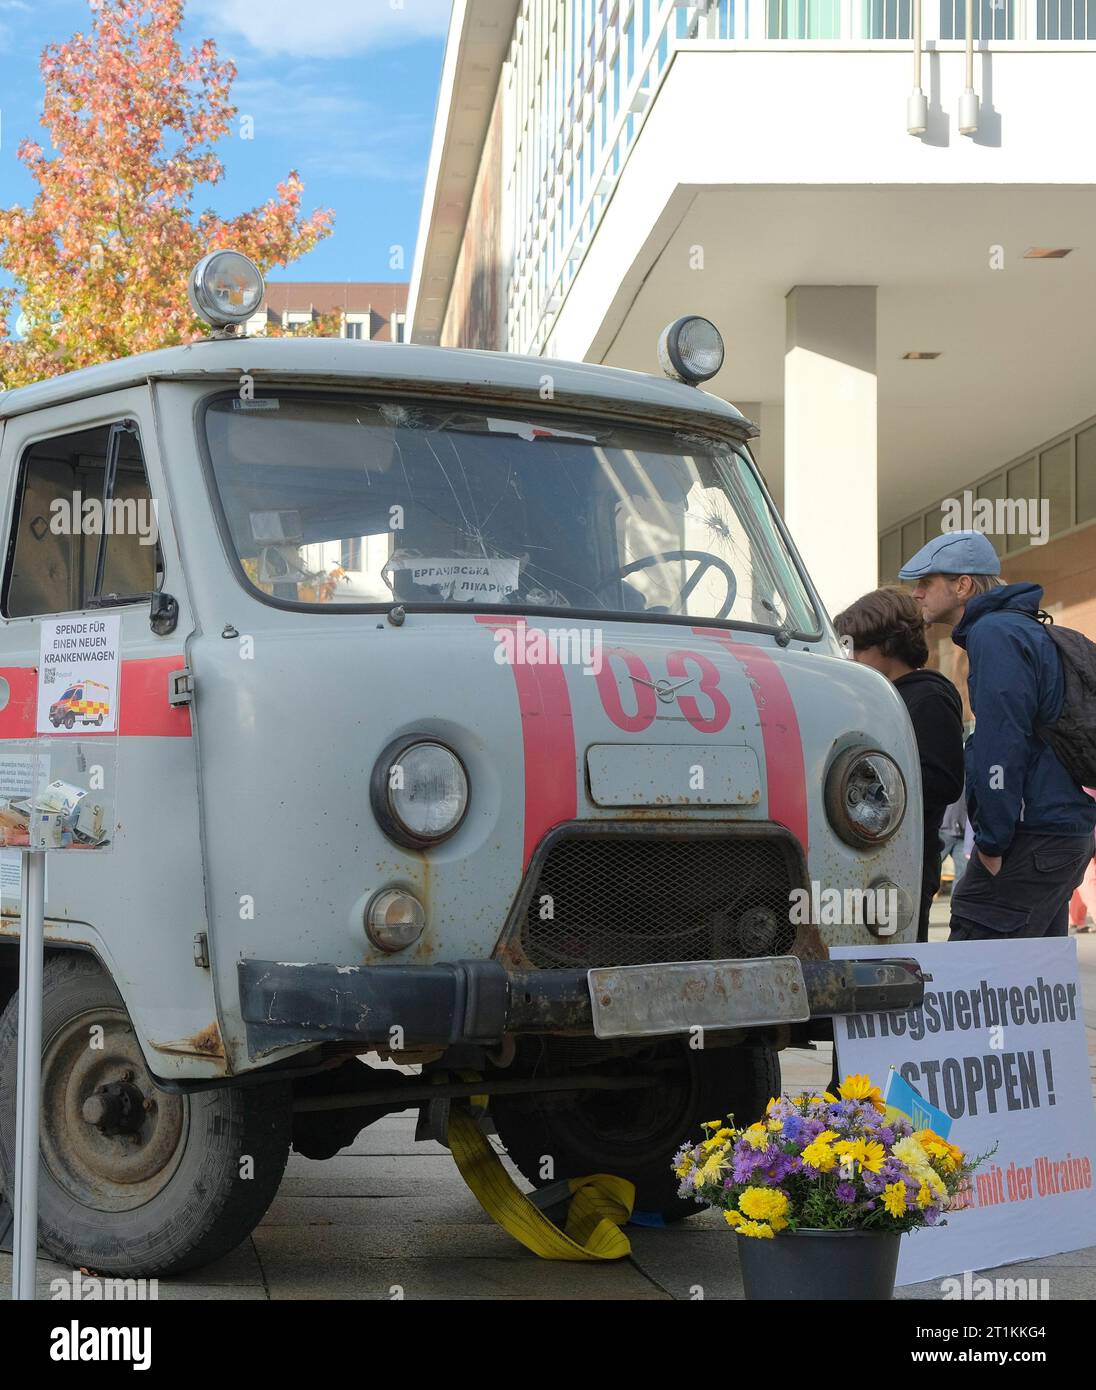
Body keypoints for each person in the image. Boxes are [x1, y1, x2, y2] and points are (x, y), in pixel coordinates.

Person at [899, 530, 1096, 941]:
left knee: (971, 982)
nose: (917, 594)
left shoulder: (994, 634)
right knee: (1035, 989)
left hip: (1031, 835)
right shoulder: (1022, 629)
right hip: (1060, 832)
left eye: (926, 582)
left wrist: (990, 842)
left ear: (963, 585)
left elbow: (1001, 743)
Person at [834, 587, 964, 942]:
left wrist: (873, 779)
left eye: (859, 647)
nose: (852, 656)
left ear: (888, 645)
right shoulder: (879, 696)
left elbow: (945, 781)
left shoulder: (928, 696)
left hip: (905, 862)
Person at [939, 791, 971, 889]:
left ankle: (956, 903)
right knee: (929, 869)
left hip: (963, 835)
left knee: (963, 874)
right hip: (943, 831)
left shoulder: (971, 777)